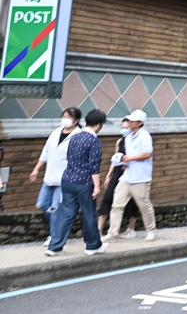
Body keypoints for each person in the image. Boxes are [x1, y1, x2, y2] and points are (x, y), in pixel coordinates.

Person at [45, 109, 106, 257]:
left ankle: (54, 247)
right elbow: (94, 166)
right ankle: (92, 246)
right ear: (98, 125)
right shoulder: (94, 141)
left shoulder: (75, 137)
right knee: (89, 214)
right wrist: (97, 186)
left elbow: (70, 158)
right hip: (84, 182)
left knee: (66, 214)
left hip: (67, 179)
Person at [29, 107, 82, 246]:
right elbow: (45, 152)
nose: (65, 119)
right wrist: (36, 169)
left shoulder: (78, 135)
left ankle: (54, 236)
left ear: (76, 120)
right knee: (42, 204)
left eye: (68, 117)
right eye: (64, 116)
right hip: (49, 177)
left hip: (64, 180)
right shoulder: (55, 132)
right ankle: (60, 227)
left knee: (54, 208)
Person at [105, 109, 157, 242]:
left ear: (140, 123)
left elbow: (147, 154)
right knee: (117, 204)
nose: (129, 123)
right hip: (126, 177)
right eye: (129, 120)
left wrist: (129, 159)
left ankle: (151, 231)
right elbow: (129, 157)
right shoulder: (127, 138)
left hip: (141, 178)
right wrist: (123, 161)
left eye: (132, 121)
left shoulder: (145, 135)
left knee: (144, 205)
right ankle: (112, 232)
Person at [97, 117, 139, 238]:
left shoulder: (136, 141)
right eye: (122, 127)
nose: (124, 130)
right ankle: (99, 229)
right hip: (117, 173)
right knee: (108, 198)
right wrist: (109, 175)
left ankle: (131, 228)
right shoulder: (120, 142)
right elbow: (115, 160)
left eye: (127, 127)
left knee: (132, 201)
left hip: (131, 174)